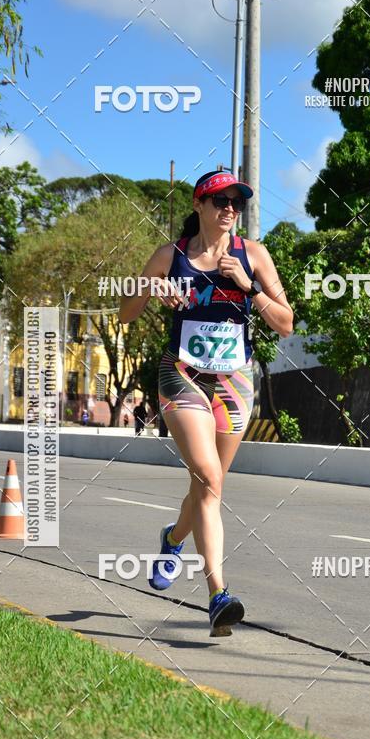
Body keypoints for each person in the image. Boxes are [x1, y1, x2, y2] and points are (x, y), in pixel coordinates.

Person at [120, 171, 293, 636]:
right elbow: (125, 314)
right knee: (209, 477)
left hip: (235, 380)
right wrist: (150, 288)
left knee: (208, 487)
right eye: (220, 201)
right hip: (182, 375)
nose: (230, 209)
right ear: (199, 205)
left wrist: (250, 288)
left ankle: (173, 538)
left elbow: (286, 323)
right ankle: (218, 595)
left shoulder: (253, 255)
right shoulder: (170, 256)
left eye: (237, 202)